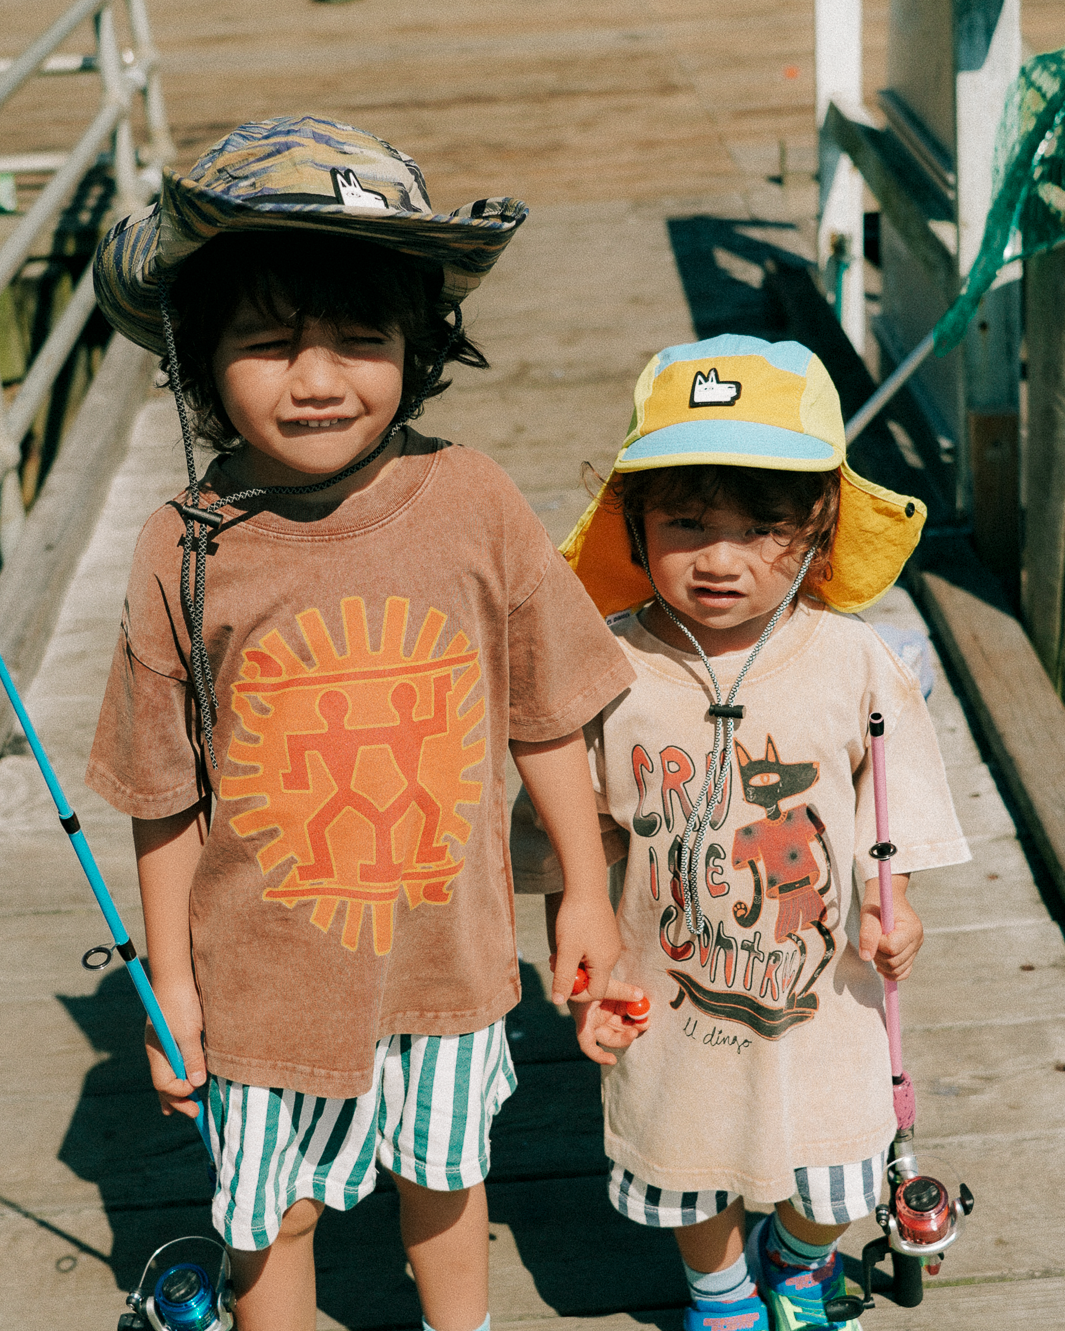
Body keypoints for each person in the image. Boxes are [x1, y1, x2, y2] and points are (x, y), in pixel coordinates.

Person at [85, 116, 636, 1331]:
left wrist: (582, 889)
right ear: (197, 357)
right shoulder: (181, 542)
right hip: (258, 984)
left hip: (449, 959)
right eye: (271, 344)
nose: (320, 378)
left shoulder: (475, 498)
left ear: (420, 347)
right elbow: (164, 789)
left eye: (362, 339)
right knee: (264, 1208)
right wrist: (169, 977)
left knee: (445, 1177)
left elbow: (549, 711)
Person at [510, 336, 970, 1331]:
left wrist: (903, 905)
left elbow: (894, 803)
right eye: (684, 522)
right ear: (631, 524)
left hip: (826, 989)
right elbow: (571, 839)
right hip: (666, 983)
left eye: (762, 527)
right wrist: (583, 969)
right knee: (692, 1155)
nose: (720, 559)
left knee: (843, 1173)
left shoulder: (855, 659)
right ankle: (719, 1292)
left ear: (817, 530)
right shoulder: (606, 669)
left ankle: (798, 1261)